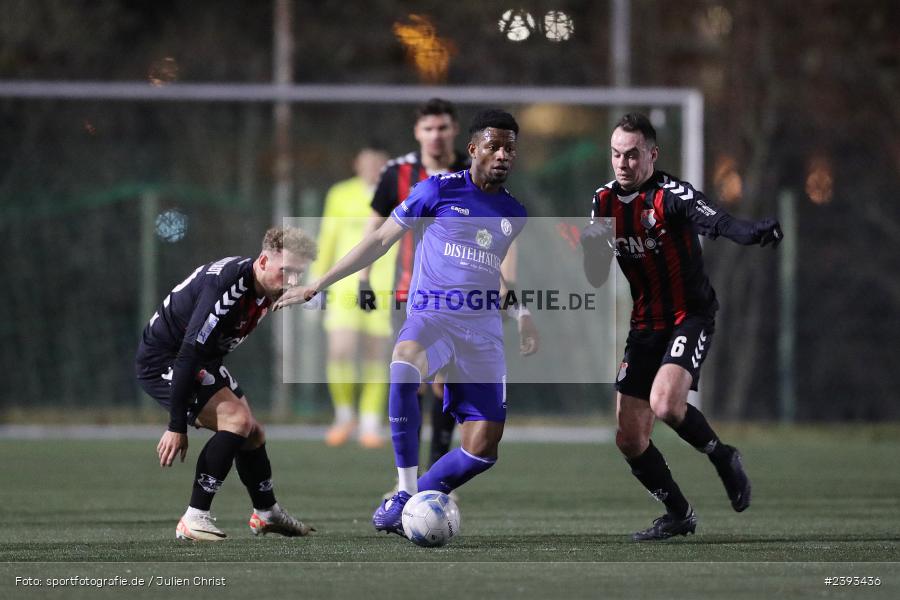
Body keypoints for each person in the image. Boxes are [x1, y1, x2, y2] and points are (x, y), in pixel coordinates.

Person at [274, 109, 539, 536]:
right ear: (472, 149)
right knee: (403, 361)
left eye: (511, 147)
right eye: (494, 145)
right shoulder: (435, 190)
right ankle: (403, 489)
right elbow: (379, 240)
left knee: (483, 448)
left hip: (482, 332)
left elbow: (495, 273)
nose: (503, 155)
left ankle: (418, 499)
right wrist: (318, 283)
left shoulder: (515, 213)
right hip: (432, 316)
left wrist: (522, 313)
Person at [581, 113, 783, 541]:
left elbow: (717, 220)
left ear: (652, 154)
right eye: (616, 154)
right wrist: (591, 252)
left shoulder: (671, 195)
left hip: (689, 315)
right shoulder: (602, 202)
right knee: (629, 438)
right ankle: (679, 513)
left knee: (667, 404)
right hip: (645, 325)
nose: (623, 163)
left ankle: (722, 456)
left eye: (632, 154)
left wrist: (749, 233)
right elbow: (596, 272)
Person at [135, 227, 318, 541]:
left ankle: (267, 512)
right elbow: (189, 352)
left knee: (253, 433)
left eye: (299, 274)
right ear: (262, 261)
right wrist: (176, 425)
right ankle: (194, 517)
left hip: (199, 361)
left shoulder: (265, 286)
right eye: (286, 272)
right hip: (167, 360)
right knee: (236, 420)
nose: (292, 282)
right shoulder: (229, 286)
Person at [360, 98, 471, 469]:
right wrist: (363, 276)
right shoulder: (397, 173)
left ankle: (437, 476)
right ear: (417, 132)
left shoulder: (475, 171)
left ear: (454, 129)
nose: (435, 136)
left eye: (442, 128)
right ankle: (406, 477)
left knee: (445, 382)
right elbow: (375, 227)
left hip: (459, 295)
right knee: (412, 379)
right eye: (428, 128)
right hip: (408, 292)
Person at [310, 146, 394, 448]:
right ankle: (344, 416)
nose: (373, 167)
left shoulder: (398, 194)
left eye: (379, 162)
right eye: (367, 161)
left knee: (376, 354)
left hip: (382, 287)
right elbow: (328, 237)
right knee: (340, 350)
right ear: (357, 163)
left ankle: (370, 422)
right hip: (345, 287)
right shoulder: (340, 194)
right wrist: (315, 283)